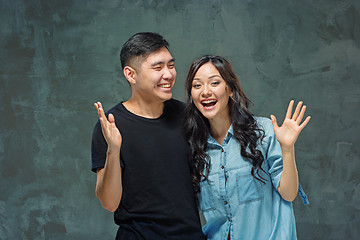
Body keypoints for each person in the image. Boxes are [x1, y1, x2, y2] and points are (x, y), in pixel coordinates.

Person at [91, 32, 205, 240]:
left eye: (171, 65)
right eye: (157, 67)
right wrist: (114, 150)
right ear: (131, 75)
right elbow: (109, 202)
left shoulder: (187, 116)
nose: (169, 74)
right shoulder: (111, 126)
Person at [184, 55, 311, 240]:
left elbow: (289, 193)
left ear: (230, 90)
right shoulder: (194, 149)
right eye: (197, 85)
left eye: (214, 83)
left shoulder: (262, 131)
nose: (205, 91)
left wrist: (287, 148)